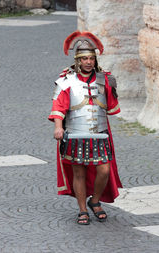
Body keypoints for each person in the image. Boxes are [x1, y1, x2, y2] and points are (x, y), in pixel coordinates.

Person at [48, 30, 122, 225]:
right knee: (79, 172)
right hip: (75, 134)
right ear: (78, 60)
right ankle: (82, 209)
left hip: (100, 134)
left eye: (91, 58)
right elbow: (58, 107)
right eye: (84, 59)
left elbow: (112, 108)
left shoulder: (104, 79)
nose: (88, 62)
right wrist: (58, 127)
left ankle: (95, 201)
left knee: (104, 170)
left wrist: (111, 87)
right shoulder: (66, 81)